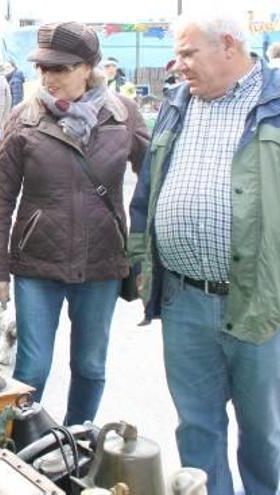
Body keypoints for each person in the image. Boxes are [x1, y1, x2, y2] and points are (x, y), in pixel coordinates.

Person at [128, 12, 280, 494]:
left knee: (264, 434)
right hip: (184, 298)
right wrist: (140, 265)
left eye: (189, 52)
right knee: (196, 426)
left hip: (260, 302)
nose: (178, 64)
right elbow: (146, 192)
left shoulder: (274, 104)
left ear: (229, 47)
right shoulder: (176, 103)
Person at [0, 21, 149, 425]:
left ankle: (76, 442)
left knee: (91, 367)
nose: (49, 77)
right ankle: (19, 451)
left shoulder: (123, 115)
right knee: (30, 372)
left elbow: (155, 186)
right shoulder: (23, 118)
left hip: (101, 265)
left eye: (60, 68)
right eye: (43, 68)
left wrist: (143, 256)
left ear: (88, 67)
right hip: (37, 265)